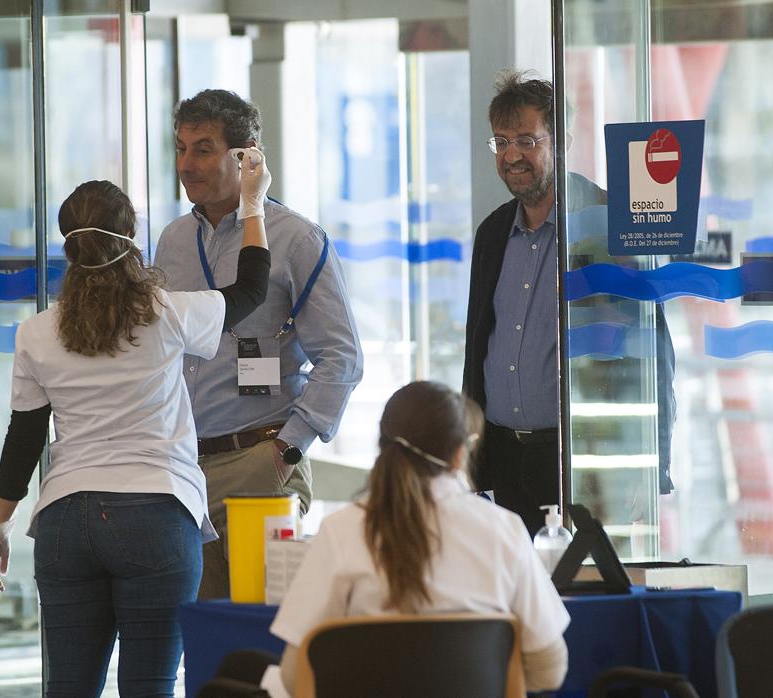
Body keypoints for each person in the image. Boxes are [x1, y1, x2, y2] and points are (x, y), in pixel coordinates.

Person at [0, 154, 271, 697]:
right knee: (149, 687)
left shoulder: (37, 333)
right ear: (130, 238)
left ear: (69, 244)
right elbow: (251, 290)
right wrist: (252, 205)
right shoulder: (166, 313)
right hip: (157, 515)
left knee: (67, 688)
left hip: (66, 521)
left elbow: (25, 438)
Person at [154, 89, 363, 599]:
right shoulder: (172, 241)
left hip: (259, 461)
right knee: (203, 641)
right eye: (180, 148)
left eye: (203, 149)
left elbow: (341, 356)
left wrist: (288, 447)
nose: (187, 164)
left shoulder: (296, 238)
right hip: (184, 471)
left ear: (247, 157)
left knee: (262, 632)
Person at [464, 70, 676, 534]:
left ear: (561, 141)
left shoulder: (604, 221)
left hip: (581, 457)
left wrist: (651, 461)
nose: (511, 156)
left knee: (580, 599)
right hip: (503, 455)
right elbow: (478, 346)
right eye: (500, 143)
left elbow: (651, 351)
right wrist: (473, 458)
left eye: (525, 140)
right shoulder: (494, 232)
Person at [268, 381, 570, 694]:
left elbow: (295, 674)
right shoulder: (504, 530)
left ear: (383, 449)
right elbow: (549, 672)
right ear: (458, 455)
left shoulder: (341, 531)